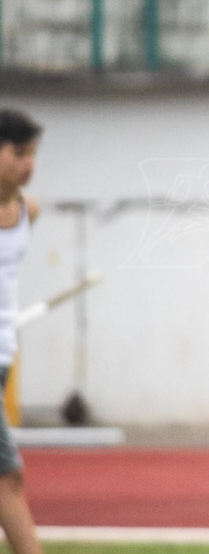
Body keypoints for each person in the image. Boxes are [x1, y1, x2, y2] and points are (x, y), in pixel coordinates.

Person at [0, 109, 44, 554]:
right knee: (8, 477)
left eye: (33, 154)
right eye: (18, 153)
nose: (28, 164)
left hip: (3, 357)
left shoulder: (29, 211)